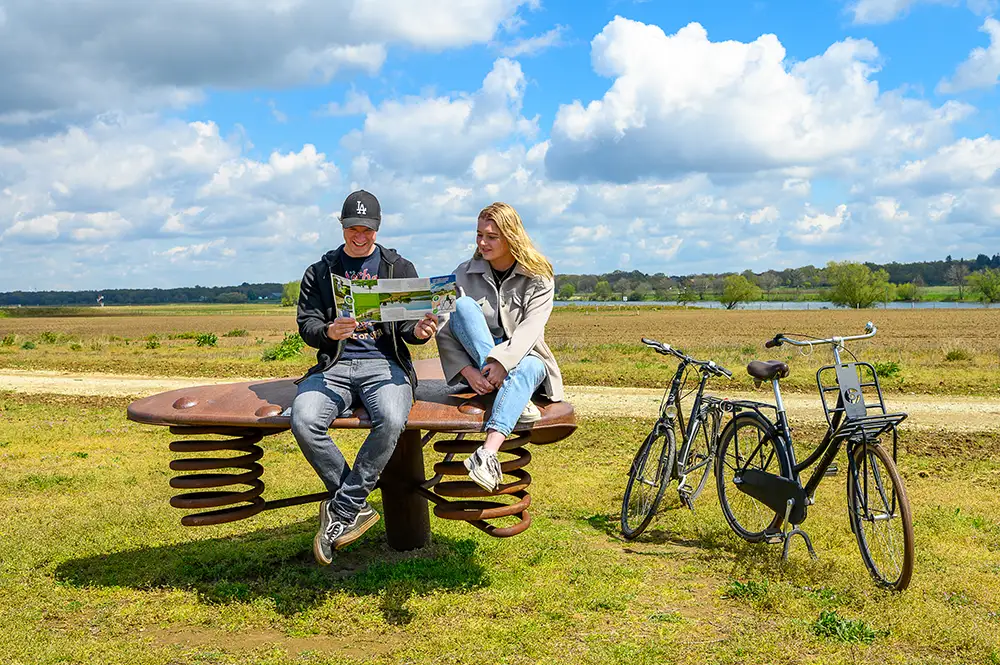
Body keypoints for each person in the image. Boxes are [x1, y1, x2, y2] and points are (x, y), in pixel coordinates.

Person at [291, 190, 438, 565]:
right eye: (353, 228)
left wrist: (419, 332)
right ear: (342, 227)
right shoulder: (320, 272)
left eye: (367, 229)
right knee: (304, 420)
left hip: (384, 365)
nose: (360, 236)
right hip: (334, 366)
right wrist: (328, 332)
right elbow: (306, 325)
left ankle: (342, 509)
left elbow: (408, 326)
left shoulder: (398, 267)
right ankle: (352, 507)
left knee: (391, 418)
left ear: (378, 228)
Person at [435, 202, 564, 491]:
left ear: (511, 236)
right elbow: (444, 326)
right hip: (478, 363)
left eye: (492, 237)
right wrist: (469, 372)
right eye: (479, 234)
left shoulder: (540, 274)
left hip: (524, 354)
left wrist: (503, 363)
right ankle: (514, 397)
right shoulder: (462, 273)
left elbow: (532, 326)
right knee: (464, 306)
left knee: (532, 365)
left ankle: (487, 453)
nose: (483, 242)